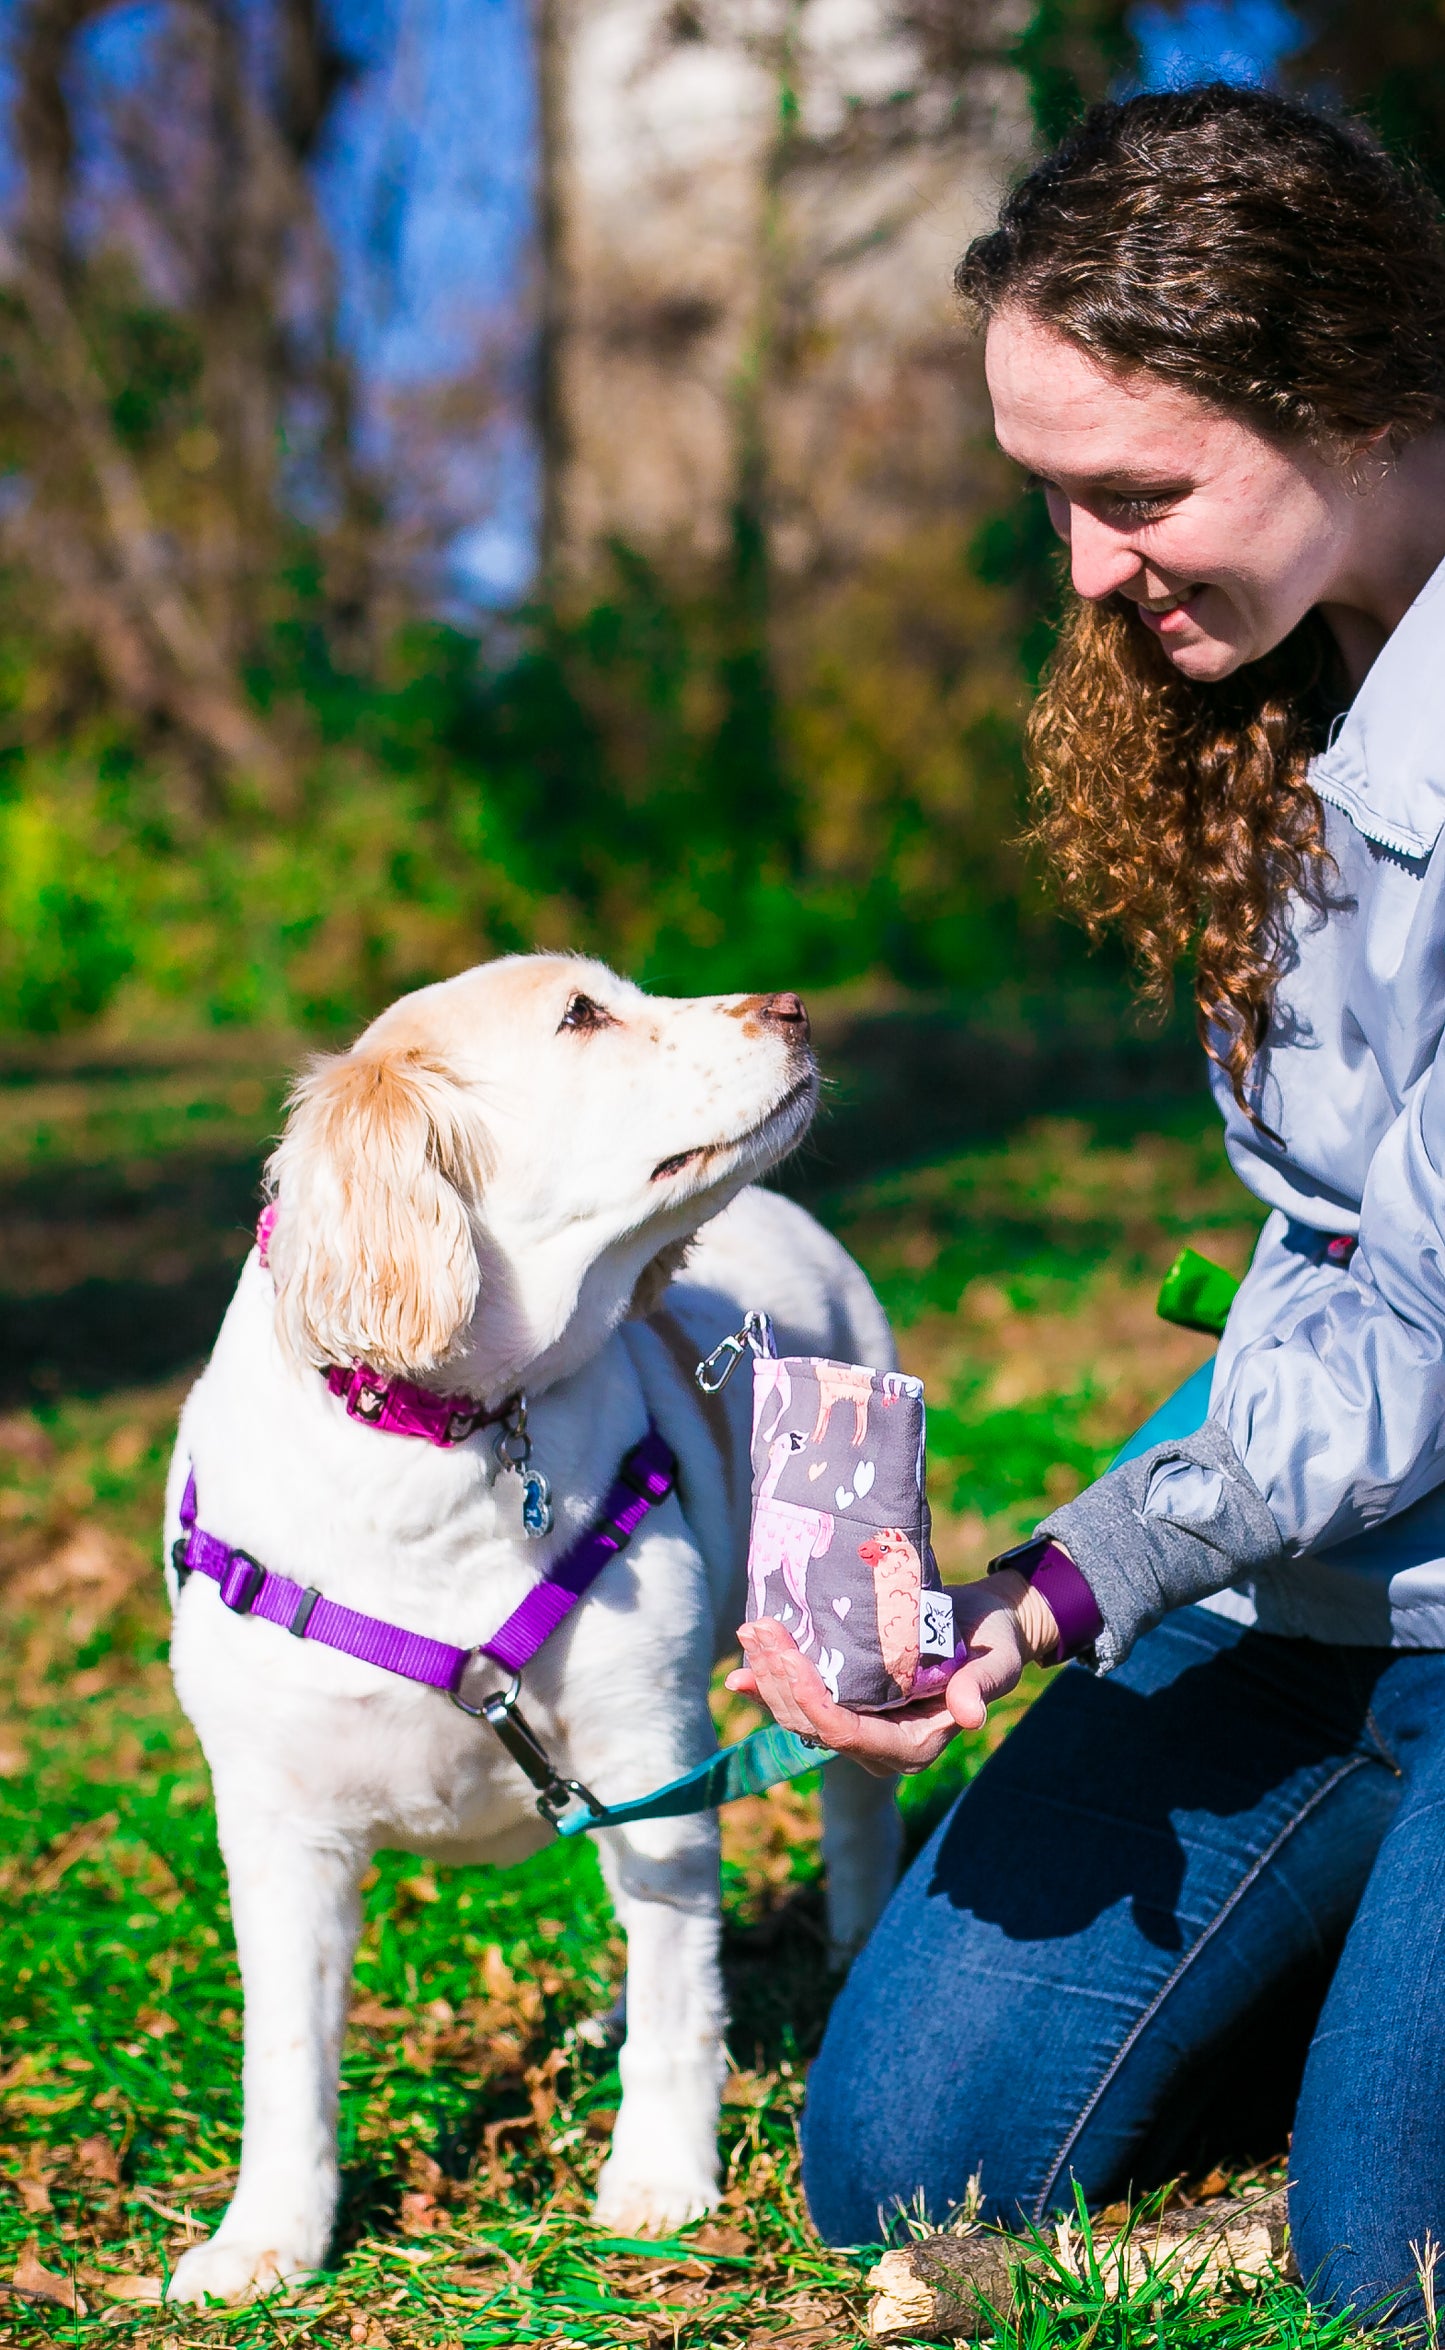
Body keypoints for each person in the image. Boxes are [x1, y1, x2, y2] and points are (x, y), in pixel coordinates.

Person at [726, 82, 1445, 2326]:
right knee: (904, 2161)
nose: (1087, 575)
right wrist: (1082, 1560)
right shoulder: (1281, 691)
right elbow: (1330, 1263)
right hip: (1340, 1567)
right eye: (1048, 498)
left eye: (1136, 497)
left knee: (1387, 2256)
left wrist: (1073, 1576)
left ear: (1367, 394)